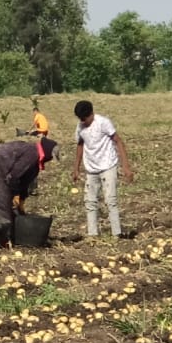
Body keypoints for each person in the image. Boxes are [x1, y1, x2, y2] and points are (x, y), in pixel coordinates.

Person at [71, 100, 134, 240]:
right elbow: (80, 145)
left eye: (85, 118)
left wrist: (126, 167)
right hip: (91, 168)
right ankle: (93, 234)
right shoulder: (80, 126)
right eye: (80, 119)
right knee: (90, 201)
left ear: (91, 113)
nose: (83, 121)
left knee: (111, 200)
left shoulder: (103, 122)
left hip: (108, 166)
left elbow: (118, 141)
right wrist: (76, 168)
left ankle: (116, 234)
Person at [0, 139, 42, 227]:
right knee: (0, 208)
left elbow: (24, 179)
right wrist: (15, 194)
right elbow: (13, 176)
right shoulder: (32, 154)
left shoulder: (33, 154)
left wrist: (21, 199)